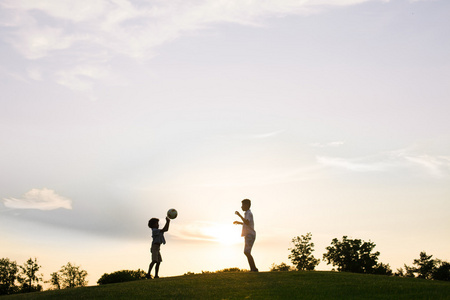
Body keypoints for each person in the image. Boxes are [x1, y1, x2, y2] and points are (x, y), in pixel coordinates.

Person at [234, 198, 258, 272]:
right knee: (247, 252)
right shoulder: (247, 213)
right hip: (249, 234)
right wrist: (239, 222)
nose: (241, 207)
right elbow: (247, 223)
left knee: (247, 252)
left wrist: (239, 215)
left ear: (246, 205)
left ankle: (254, 269)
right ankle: (253, 269)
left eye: (242, 205)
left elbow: (247, 222)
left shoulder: (248, 213)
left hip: (250, 235)